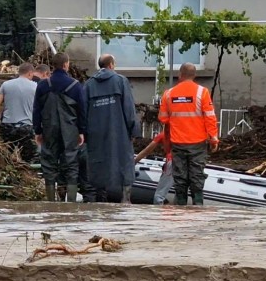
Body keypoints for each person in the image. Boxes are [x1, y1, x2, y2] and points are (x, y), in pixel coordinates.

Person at [159, 63, 219, 205]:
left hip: (177, 143)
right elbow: (210, 117)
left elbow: (163, 119)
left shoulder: (168, 94)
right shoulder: (202, 92)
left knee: (180, 179)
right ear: (194, 75)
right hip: (197, 143)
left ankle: (180, 208)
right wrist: (214, 139)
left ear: (180, 75)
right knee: (197, 176)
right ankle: (198, 207)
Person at [84, 54, 139, 203]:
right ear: (111, 65)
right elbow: (129, 109)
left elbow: (84, 112)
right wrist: (133, 130)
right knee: (124, 164)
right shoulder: (121, 81)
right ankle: (125, 201)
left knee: (98, 165)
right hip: (119, 132)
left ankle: (99, 203)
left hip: (96, 134)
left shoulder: (88, 85)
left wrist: (84, 133)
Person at [33, 53, 86, 202]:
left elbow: (36, 109)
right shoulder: (75, 85)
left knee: (49, 164)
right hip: (70, 130)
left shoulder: (43, 85)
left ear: (53, 65)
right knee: (71, 165)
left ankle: (51, 202)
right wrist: (82, 131)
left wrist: (38, 130)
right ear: (65, 65)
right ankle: (70, 204)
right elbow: (82, 110)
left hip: (49, 130)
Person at [0, 62, 37, 163]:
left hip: (7, 128)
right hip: (26, 128)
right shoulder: (35, 87)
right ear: (29, 73)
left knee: (3, 160)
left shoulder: (6, 85)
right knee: (29, 161)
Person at [134, 125, 174, 205]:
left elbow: (146, 151)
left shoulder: (163, 135)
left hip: (172, 163)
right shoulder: (182, 135)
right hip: (186, 163)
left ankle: (158, 214)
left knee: (159, 196)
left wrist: (134, 162)